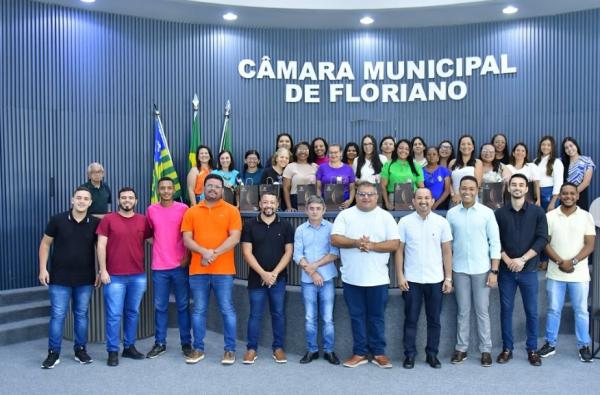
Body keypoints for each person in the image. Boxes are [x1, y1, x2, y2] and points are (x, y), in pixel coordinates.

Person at [331, 181, 400, 369]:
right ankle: (360, 353)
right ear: (357, 195)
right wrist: (355, 243)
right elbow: (335, 238)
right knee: (356, 316)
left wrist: (372, 246)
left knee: (377, 317)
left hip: (377, 278)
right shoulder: (345, 215)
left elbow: (394, 244)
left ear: (377, 196)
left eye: (370, 194)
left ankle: (378, 353)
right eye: (362, 194)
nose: (366, 197)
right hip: (352, 278)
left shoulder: (385, 217)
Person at [181, 174, 242, 365]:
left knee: (227, 309)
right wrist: (202, 252)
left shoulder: (232, 211)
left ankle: (230, 350)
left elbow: (235, 238)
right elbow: (187, 239)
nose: (213, 189)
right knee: (198, 310)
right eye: (209, 186)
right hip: (198, 271)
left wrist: (212, 253)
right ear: (203, 188)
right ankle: (198, 349)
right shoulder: (192, 212)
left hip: (223, 271)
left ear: (222, 190)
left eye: (217, 186)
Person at [38, 187, 100, 369]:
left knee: (81, 315)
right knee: (58, 315)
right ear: (72, 200)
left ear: (90, 203)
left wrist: (100, 270)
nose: (81, 201)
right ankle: (53, 353)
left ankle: (80, 350)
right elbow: (45, 244)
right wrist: (43, 269)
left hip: (85, 279)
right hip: (59, 278)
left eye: (85, 198)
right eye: (78, 198)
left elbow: (100, 249)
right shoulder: (57, 220)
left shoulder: (95, 223)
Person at [446, 176, 501, 367]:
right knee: (463, 311)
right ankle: (461, 348)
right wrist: (448, 274)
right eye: (463, 188)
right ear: (459, 190)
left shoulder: (487, 213)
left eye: (471, 188)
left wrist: (494, 271)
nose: (467, 192)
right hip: (459, 269)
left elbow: (495, 243)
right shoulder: (452, 214)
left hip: (482, 269)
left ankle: (486, 350)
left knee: (482, 311)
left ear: (477, 190)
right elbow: (448, 245)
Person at [538, 183, 596, 362]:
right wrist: (559, 261)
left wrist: (573, 261)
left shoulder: (586, 216)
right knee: (554, 309)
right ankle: (550, 344)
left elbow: (590, 244)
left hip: (579, 274)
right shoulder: (550, 216)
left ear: (577, 196)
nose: (568, 196)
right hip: (556, 273)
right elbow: (544, 242)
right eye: (565, 193)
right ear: (560, 196)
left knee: (581, 311)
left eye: (572, 193)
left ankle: (584, 345)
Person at [494, 174, 548, 366]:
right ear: (509, 188)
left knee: (531, 311)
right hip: (507, 271)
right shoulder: (499, 214)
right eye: (514, 184)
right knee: (506, 311)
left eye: (521, 185)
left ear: (527, 189)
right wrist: (508, 260)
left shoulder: (538, 212)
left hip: (528, 270)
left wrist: (523, 259)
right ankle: (507, 348)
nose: (517, 187)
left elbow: (542, 239)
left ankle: (532, 349)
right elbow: (494, 240)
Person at [396, 188, 453, 369]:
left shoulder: (441, 222)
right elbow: (399, 251)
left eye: (427, 198)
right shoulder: (404, 222)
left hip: (435, 279)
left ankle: (432, 354)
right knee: (411, 319)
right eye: (419, 198)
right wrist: (400, 275)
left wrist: (448, 278)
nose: (423, 201)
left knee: (434, 319)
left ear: (432, 200)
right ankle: (409, 355)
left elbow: (446, 252)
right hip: (411, 280)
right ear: (413, 201)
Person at [97, 187, 153, 367]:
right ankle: (112, 351)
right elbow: (101, 246)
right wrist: (103, 270)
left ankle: (129, 347)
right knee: (114, 315)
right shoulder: (108, 219)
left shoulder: (143, 221)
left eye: (130, 198)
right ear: (118, 200)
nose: (127, 200)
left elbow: (154, 241)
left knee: (132, 312)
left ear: (136, 201)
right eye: (123, 198)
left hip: (137, 275)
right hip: (114, 277)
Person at [241, 192, 294, 364]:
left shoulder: (286, 225)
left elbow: (289, 253)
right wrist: (263, 273)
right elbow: (247, 253)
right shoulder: (249, 225)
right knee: (255, 314)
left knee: (278, 313)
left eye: (272, 202)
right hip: (257, 278)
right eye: (265, 202)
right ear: (260, 204)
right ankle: (251, 349)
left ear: (277, 204)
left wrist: (274, 274)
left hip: (278, 279)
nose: (268, 205)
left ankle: (278, 348)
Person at [145, 177, 192, 359]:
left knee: (183, 306)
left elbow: (189, 235)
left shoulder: (184, 209)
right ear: (158, 190)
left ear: (174, 190)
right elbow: (149, 235)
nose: (165, 191)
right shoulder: (151, 210)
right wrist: (159, 247)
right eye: (162, 188)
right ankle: (160, 343)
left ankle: (186, 343)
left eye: (169, 188)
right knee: (160, 306)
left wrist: (187, 257)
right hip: (159, 267)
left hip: (179, 265)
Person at [293, 195, 340, 365]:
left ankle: (329, 351)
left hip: (327, 279)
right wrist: (312, 273)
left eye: (318, 209)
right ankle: (311, 350)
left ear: (324, 210)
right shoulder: (300, 230)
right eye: (311, 208)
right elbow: (297, 255)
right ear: (306, 210)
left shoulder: (331, 228)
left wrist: (316, 267)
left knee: (327, 318)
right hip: (308, 281)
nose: (314, 211)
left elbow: (335, 253)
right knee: (309, 317)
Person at [380, 139, 424, 211]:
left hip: (412, 198)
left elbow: (421, 186)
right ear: (396, 149)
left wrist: (419, 202)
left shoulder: (416, 166)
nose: (403, 151)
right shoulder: (388, 164)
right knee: (395, 221)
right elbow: (383, 186)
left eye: (407, 149)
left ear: (410, 151)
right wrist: (387, 203)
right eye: (401, 148)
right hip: (394, 198)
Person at [316, 144, 356, 209]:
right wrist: (320, 202)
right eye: (331, 153)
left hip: (344, 205)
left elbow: (352, 189)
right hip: (326, 205)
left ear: (341, 153)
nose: (333, 155)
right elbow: (318, 188)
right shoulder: (322, 168)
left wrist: (349, 201)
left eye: (336, 152)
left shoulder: (348, 169)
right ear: (328, 154)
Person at [561, 137, 595, 210]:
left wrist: (573, 195)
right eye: (566, 148)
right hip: (565, 198)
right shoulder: (562, 162)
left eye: (571, 145)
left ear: (576, 146)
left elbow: (586, 182)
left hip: (580, 195)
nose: (569, 149)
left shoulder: (586, 160)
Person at [283, 142, 318, 211]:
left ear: (309, 152)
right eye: (300, 149)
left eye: (305, 149)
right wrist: (289, 207)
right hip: (295, 199)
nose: (303, 151)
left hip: (312, 200)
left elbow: (318, 188)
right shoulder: (290, 166)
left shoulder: (315, 167)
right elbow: (286, 189)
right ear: (295, 152)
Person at [449, 135, 483, 205]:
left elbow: (478, 183)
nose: (466, 146)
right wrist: (453, 195)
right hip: (455, 200)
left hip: (471, 198)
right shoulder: (452, 162)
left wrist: (462, 196)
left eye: (469, 144)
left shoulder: (477, 162)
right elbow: (449, 183)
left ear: (473, 147)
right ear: (459, 147)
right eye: (463, 144)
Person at [534, 136, 563, 212]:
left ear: (552, 147)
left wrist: (553, 202)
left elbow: (558, 183)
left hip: (550, 193)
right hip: (536, 193)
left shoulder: (556, 162)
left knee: (550, 218)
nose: (545, 147)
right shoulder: (535, 161)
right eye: (543, 144)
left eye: (549, 145)